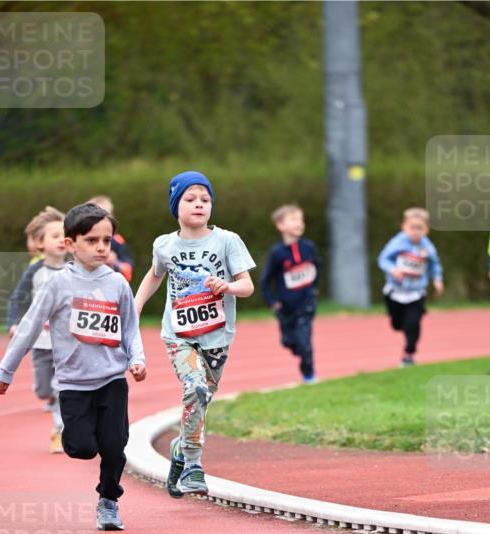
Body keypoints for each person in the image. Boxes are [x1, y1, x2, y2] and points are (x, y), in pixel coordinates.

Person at [0, 202, 147, 530]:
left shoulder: (117, 283)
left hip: (112, 378)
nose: (102, 247)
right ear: (70, 244)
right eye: (92, 240)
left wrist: (137, 359)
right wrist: (6, 370)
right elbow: (30, 325)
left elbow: (131, 327)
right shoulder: (57, 284)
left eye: (107, 240)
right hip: (74, 383)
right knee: (82, 448)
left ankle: (109, 501)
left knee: (114, 446)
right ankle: (72, 435)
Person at [134, 170, 255, 498]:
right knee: (195, 386)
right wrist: (135, 304)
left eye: (205, 199)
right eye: (190, 199)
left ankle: (179, 448)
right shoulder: (165, 245)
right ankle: (193, 465)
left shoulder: (227, 241)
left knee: (200, 400)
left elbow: (247, 286)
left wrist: (227, 285)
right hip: (178, 334)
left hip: (217, 336)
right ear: (176, 206)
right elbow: (154, 276)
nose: (199, 204)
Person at [8, 207, 67, 452]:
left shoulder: (75, 267)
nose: (61, 240)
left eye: (64, 234)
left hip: (66, 343)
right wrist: (13, 321)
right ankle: (51, 398)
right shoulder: (35, 271)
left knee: (60, 386)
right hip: (40, 343)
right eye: (54, 236)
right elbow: (17, 298)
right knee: (44, 389)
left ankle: (60, 432)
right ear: (40, 243)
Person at [260, 204, 321, 383]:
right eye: (294, 219)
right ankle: (296, 348)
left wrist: (313, 289)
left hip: (306, 304)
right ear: (280, 225)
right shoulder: (277, 253)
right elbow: (265, 280)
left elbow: (317, 267)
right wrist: (273, 302)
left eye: (301, 220)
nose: (299, 223)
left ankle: (309, 375)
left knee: (305, 343)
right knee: (289, 341)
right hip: (285, 307)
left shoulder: (309, 247)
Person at [377, 207, 444, 366]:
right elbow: (383, 259)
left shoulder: (427, 247)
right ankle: (400, 324)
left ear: (426, 230)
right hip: (395, 292)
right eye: (412, 228)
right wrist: (393, 269)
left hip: (416, 293)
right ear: (404, 227)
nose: (415, 232)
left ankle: (408, 353)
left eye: (419, 228)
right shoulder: (397, 243)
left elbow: (435, 264)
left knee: (412, 324)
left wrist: (437, 279)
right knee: (397, 325)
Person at [88, 195, 134, 282]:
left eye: (105, 215)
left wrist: (115, 262)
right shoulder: (82, 239)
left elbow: (128, 271)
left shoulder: (117, 240)